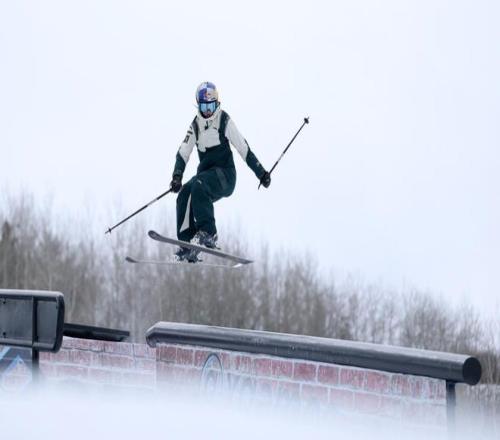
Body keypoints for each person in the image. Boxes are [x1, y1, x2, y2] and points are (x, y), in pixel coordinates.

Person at [170, 81, 271, 262]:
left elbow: (243, 148)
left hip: (225, 176)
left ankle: (208, 233)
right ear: (198, 106)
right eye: (204, 107)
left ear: (217, 103)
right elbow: (183, 152)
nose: (208, 111)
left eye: (211, 106)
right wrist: (177, 176)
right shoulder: (195, 125)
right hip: (206, 177)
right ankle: (187, 243)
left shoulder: (223, 120)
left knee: (199, 184)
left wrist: (261, 173)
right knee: (185, 192)